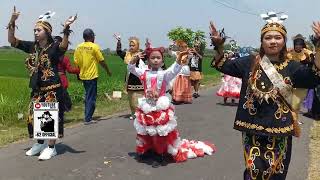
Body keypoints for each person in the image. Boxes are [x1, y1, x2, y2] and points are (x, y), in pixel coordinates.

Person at [209, 13, 320, 179]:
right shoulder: (250, 61)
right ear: (262, 41)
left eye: (278, 37)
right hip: (251, 125)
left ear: (284, 41)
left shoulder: (293, 67)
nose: (273, 41)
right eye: (268, 37)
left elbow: (314, 76)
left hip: (280, 127)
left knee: (276, 171)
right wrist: (218, 46)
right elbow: (223, 64)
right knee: (254, 170)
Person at [7, 7, 77, 160]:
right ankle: (40, 143)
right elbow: (12, 41)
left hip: (52, 88)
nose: (35, 32)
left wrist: (66, 29)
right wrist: (12, 22)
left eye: (38, 30)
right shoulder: (33, 47)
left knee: (49, 117)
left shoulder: (54, 47)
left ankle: (51, 147)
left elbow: (64, 46)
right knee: (34, 116)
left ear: (47, 31)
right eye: (34, 30)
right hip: (38, 89)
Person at [128, 47, 216, 168]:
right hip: (147, 106)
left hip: (160, 106)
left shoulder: (164, 74)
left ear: (162, 61)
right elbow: (131, 68)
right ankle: (146, 149)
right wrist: (135, 58)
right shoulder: (144, 73)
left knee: (160, 131)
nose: (155, 60)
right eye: (152, 58)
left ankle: (160, 153)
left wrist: (179, 58)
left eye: (158, 58)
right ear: (148, 60)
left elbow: (174, 69)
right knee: (145, 130)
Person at [74, 28, 112, 125]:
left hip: (83, 76)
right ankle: (88, 118)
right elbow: (101, 60)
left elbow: (76, 62)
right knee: (91, 97)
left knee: (88, 95)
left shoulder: (79, 47)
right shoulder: (94, 47)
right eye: (93, 36)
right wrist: (107, 70)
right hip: (92, 76)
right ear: (91, 36)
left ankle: (87, 116)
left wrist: (79, 73)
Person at [114, 35, 145, 120]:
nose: (131, 47)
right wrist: (119, 41)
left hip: (139, 79)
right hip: (130, 79)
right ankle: (133, 113)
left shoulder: (141, 55)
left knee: (139, 98)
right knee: (131, 98)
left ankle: (141, 113)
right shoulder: (127, 55)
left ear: (137, 46)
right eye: (130, 45)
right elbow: (119, 52)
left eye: (133, 45)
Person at [287, 34, 314, 124]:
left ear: (302, 45)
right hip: (290, 80)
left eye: (300, 45)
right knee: (289, 101)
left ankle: (295, 119)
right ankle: (290, 119)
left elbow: (314, 65)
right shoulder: (289, 53)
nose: (298, 47)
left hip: (302, 81)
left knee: (297, 103)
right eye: (296, 45)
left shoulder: (308, 53)